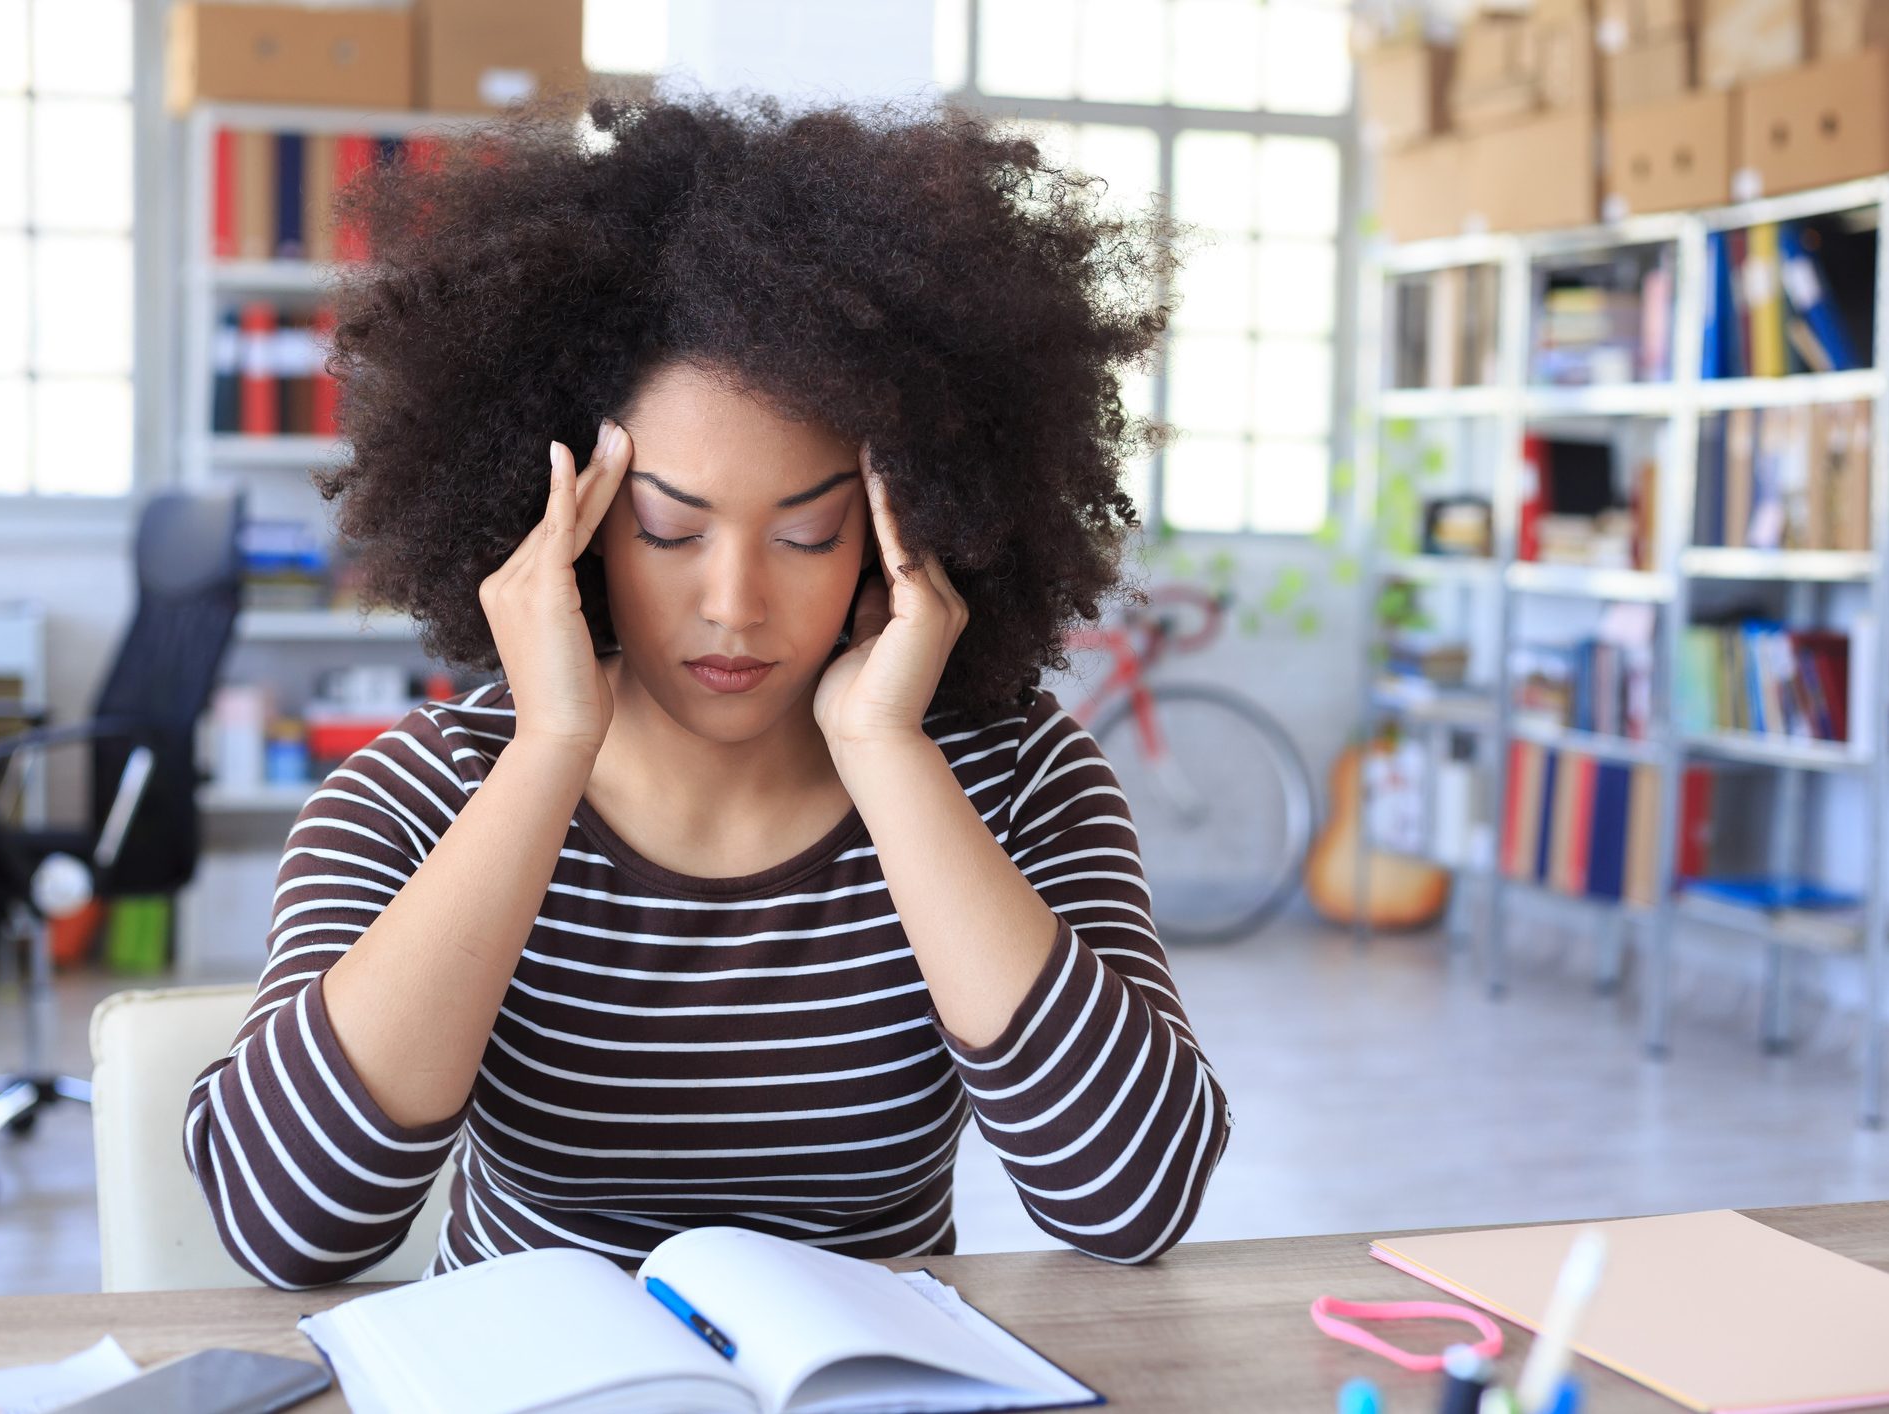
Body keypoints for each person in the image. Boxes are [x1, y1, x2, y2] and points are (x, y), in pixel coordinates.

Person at [183, 81, 1233, 1289]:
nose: (735, 604)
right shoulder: (415, 796)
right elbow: (289, 1231)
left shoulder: (1019, 777)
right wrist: (544, 753)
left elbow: (1134, 1199)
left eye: (807, 536)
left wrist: (890, 753)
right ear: (564, 526)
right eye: (670, 531)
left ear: (908, 532)